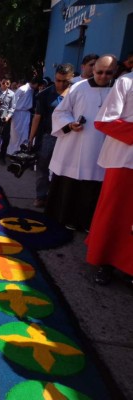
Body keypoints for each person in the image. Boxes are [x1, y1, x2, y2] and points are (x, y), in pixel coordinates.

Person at [46, 55, 118, 231]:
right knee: (70, 183)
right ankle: (65, 218)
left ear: (114, 72)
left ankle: (87, 222)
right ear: (93, 71)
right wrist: (69, 124)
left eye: (108, 73)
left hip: (102, 145)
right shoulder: (78, 88)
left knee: (94, 186)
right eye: (99, 72)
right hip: (75, 143)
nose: (103, 76)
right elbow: (60, 113)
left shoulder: (118, 90)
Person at [86, 71, 133, 285]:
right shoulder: (126, 81)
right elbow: (104, 120)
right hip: (124, 159)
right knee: (116, 214)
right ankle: (107, 262)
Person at [28, 64, 74, 208]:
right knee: (43, 166)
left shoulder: (77, 93)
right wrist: (31, 138)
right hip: (49, 136)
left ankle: (56, 198)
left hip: (69, 137)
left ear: (71, 78)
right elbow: (37, 118)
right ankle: (41, 196)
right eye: (58, 80)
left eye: (65, 81)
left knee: (63, 169)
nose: (60, 84)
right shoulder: (44, 95)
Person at [7, 78, 38, 155]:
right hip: (18, 113)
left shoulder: (31, 90)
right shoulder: (22, 89)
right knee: (16, 134)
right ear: (35, 83)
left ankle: (20, 152)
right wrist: (10, 114)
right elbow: (14, 101)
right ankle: (12, 152)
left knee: (24, 134)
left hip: (26, 114)